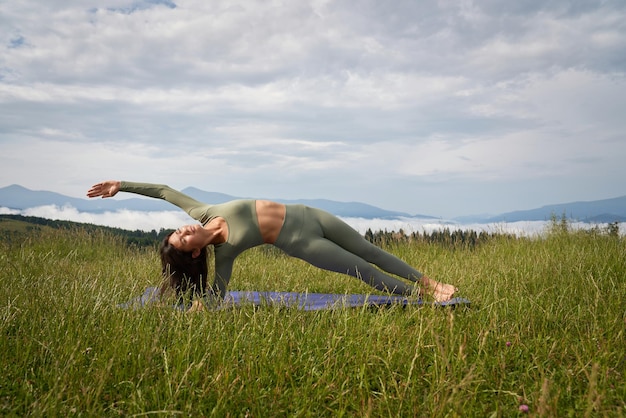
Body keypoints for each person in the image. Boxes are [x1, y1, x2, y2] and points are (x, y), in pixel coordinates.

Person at [87, 180, 457, 308]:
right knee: (363, 270)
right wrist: (201, 306)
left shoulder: (202, 211)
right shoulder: (225, 252)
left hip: (310, 215)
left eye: (179, 230)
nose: (184, 229)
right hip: (302, 242)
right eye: (182, 239)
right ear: (195, 252)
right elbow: (219, 293)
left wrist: (123, 185)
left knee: (371, 251)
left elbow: (165, 191)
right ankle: (422, 299)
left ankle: (431, 284)